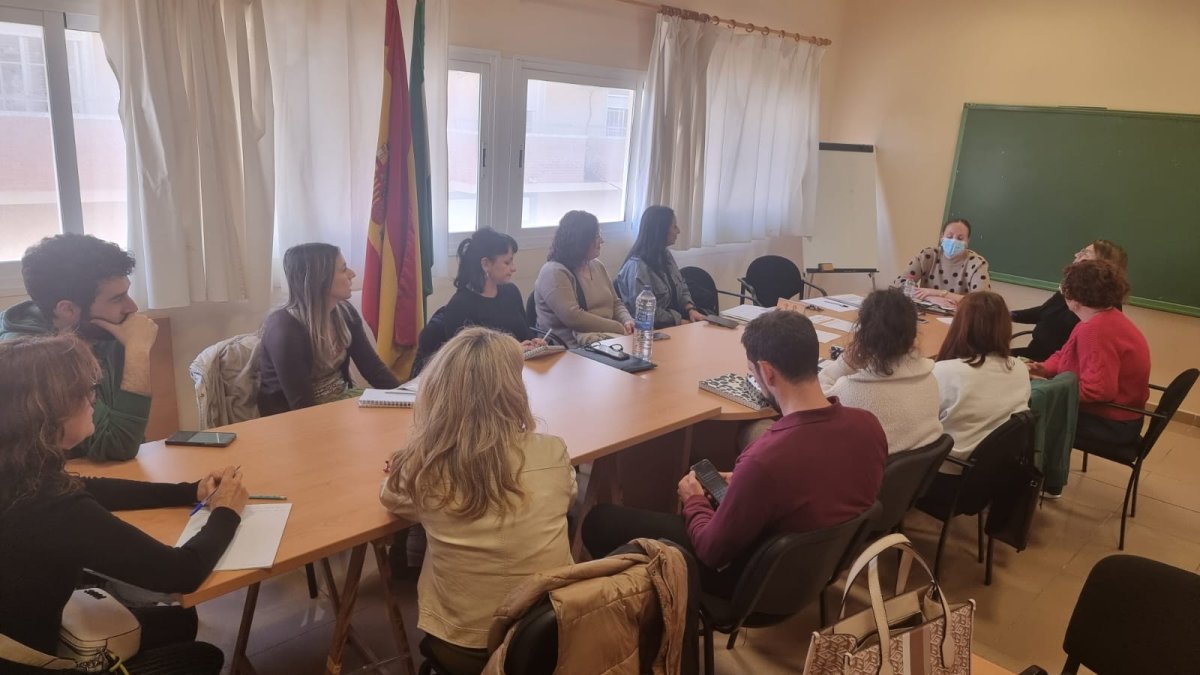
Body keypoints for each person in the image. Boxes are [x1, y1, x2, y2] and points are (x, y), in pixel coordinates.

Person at [581, 311, 887, 597]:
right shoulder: (869, 426)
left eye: (751, 371)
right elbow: (814, 486)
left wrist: (694, 501)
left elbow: (712, 551)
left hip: (754, 587)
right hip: (817, 574)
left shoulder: (766, 459)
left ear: (766, 372)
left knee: (599, 521)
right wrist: (744, 484)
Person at [0, 335, 247, 675]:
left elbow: (87, 486)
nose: (93, 400)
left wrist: (189, 491)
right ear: (49, 411)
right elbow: (181, 573)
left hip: (17, 634)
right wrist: (226, 512)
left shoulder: (17, 470)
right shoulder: (51, 507)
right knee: (205, 656)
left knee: (179, 621)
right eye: (88, 391)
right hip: (24, 660)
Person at [380, 328, 575, 674]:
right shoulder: (553, 451)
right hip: (551, 633)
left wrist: (407, 458)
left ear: (438, 394)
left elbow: (392, 498)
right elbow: (569, 492)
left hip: (464, 645)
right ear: (515, 392)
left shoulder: (423, 468)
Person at [0, 234, 159, 462]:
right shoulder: (33, 360)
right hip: (50, 489)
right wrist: (138, 352)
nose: (132, 307)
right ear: (67, 309)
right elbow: (117, 444)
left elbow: (128, 440)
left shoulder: (100, 329)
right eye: (117, 298)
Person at [258, 243, 400, 416]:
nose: (352, 274)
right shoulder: (284, 329)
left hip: (340, 402)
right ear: (320, 278)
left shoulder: (345, 312)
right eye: (343, 269)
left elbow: (373, 368)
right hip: (292, 419)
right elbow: (302, 406)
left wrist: (406, 398)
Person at [1028, 260, 1150, 446]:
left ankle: (1038, 472)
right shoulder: (1102, 317)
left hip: (1112, 423)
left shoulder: (1095, 330)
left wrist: (1050, 387)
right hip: (1122, 417)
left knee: (1022, 415)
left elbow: (1099, 391)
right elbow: (1065, 353)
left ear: (1073, 296)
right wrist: (1043, 368)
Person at [818, 288, 943, 454]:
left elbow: (816, 398)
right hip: (915, 477)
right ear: (913, 335)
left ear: (862, 335)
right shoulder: (930, 379)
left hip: (868, 476)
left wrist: (844, 364)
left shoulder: (850, 391)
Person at [933, 292, 1031, 470]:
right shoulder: (1019, 368)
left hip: (946, 469)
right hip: (990, 472)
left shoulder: (945, 372)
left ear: (960, 324)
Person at [1011, 239, 1128, 361]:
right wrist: (1007, 314)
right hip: (1037, 355)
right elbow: (1044, 311)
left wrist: (1041, 369)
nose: (1076, 255)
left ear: (1101, 265)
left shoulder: (1101, 309)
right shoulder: (1074, 288)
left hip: (1056, 366)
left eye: (1085, 253)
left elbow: (1077, 360)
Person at [534, 210, 634, 347]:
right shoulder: (554, 272)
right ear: (581, 240)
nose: (602, 240)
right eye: (596, 236)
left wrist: (627, 321)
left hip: (607, 340)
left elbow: (616, 303)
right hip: (573, 347)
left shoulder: (597, 266)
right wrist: (618, 328)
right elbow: (574, 318)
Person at [440, 228, 544, 352]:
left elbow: (524, 334)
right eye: (507, 262)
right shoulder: (460, 305)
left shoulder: (511, 292)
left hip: (523, 367)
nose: (513, 268)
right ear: (485, 264)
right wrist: (513, 351)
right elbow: (466, 360)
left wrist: (533, 343)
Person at [615, 206, 705, 327]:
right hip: (650, 331)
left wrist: (690, 310)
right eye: (674, 226)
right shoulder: (637, 267)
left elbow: (681, 286)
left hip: (675, 325)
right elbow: (645, 312)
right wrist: (680, 321)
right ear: (661, 230)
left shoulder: (665, 255)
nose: (678, 231)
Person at [897, 218, 990, 307]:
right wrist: (929, 297)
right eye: (949, 236)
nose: (954, 241)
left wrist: (938, 293)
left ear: (968, 241)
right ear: (942, 237)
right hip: (927, 311)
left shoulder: (977, 263)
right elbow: (900, 284)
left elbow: (982, 300)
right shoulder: (927, 255)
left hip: (960, 315)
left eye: (960, 238)